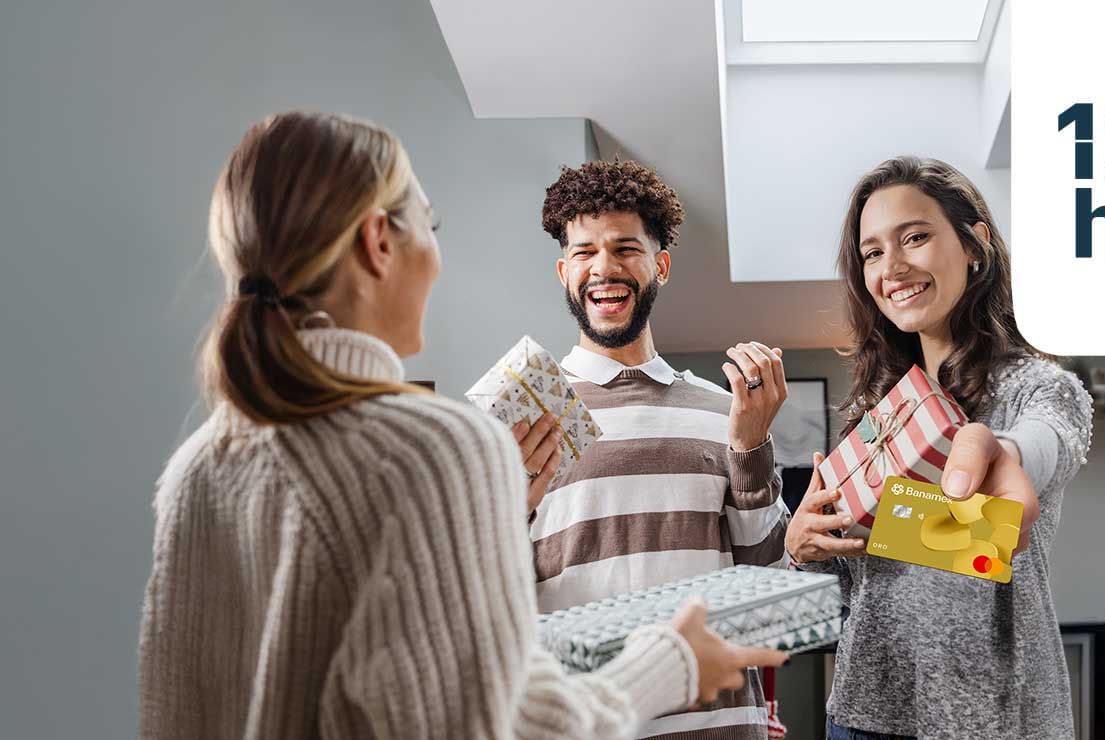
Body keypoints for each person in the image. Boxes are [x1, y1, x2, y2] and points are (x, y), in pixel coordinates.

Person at [136, 111, 785, 740]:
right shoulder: (441, 446)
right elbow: (498, 724)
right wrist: (670, 663)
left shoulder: (196, 468)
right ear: (377, 241)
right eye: (432, 222)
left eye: (623, 249)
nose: (438, 256)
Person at [787, 156, 1093, 739]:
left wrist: (1001, 450)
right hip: (865, 713)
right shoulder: (874, 415)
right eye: (872, 252)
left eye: (916, 237)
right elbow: (859, 580)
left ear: (975, 245)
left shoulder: (1037, 387)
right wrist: (806, 546)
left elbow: (1040, 452)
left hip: (993, 715)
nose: (892, 266)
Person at [514, 159, 790, 739]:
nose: (604, 268)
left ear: (660, 264)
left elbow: (768, 578)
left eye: (625, 248)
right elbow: (485, 600)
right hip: (586, 723)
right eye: (584, 252)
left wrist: (751, 445)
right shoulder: (526, 415)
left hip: (722, 726)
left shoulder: (724, 408)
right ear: (564, 271)